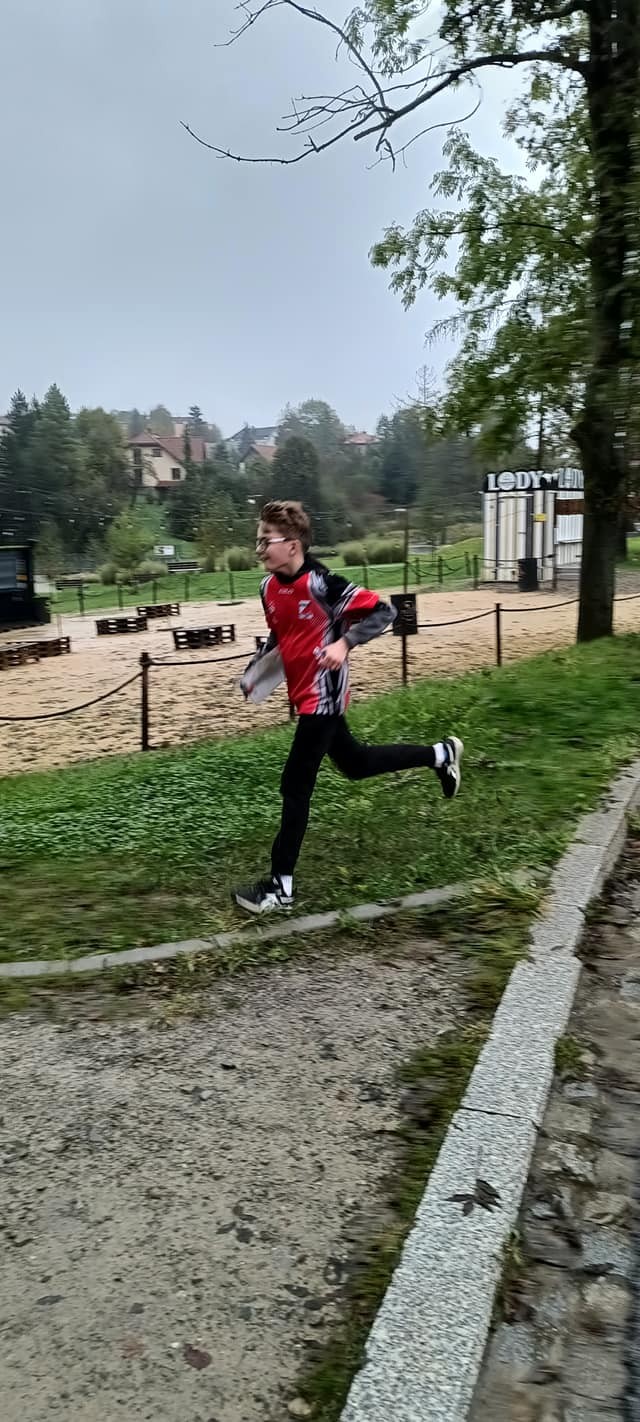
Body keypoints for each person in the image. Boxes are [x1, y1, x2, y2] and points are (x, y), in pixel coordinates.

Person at [233, 499, 463, 914]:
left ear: (293, 545)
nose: (260, 548)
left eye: (266, 540)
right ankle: (441, 755)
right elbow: (280, 633)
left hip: (324, 695)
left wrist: (344, 643)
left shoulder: (324, 584)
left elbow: (383, 611)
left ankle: (280, 887)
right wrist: (258, 669)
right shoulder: (268, 589)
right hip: (303, 693)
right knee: (355, 764)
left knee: (295, 784)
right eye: (258, 540)